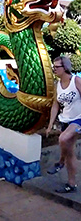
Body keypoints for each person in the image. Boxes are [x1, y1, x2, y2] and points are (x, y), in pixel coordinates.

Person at [46, 56, 81, 193]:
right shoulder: (57, 85)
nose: (54, 69)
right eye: (53, 67)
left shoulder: (76, 81)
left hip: (78, 120)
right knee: (70, 153)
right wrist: (49, 125)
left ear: (65, 67)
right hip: (65, 120)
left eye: (56, 67)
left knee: (63, 138)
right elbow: (55, 105)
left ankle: (59, 162)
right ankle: (71, 184)